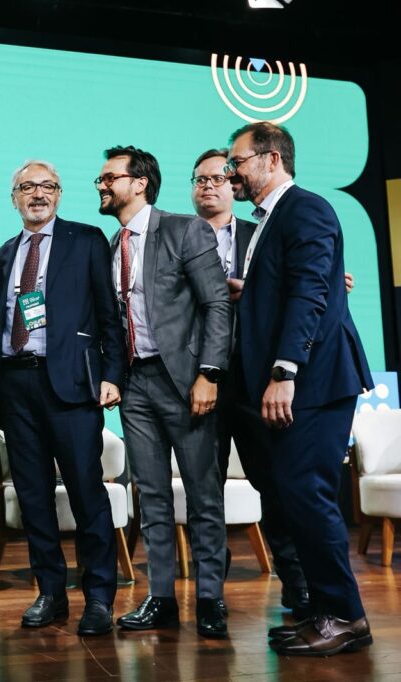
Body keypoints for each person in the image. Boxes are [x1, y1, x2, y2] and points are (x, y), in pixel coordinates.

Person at [226, 122, 373, 656]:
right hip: (303, 381)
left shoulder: (305, 209)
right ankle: (322, 612)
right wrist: (250, 292)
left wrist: (284, 372)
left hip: (314, 381)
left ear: (271, 159)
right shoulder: (271, 218)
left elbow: (311, 292)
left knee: (308, 495)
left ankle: (346, 618)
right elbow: (289, 286)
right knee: (295, 496)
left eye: (237, 161)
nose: (231, 172)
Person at [98, 146, 232, 638]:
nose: (102, 185)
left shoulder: (184, 230)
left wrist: (209, 373)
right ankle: (161, 597)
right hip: (136, 384)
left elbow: (216, 304)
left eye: (110, 177)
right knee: (150, 495)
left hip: (186, 380)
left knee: (202, 494)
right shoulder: (112, 245)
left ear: (139, 183)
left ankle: (210, 598)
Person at [0, 160, 125, 635]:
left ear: (60, 194)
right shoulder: (4, 253)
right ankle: (50, 593)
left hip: (72, 386)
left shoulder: (85, 240)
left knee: (87, 494)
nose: (38, 194)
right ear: (14, 197)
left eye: (47, 186)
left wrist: (113, 375)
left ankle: (99, 597)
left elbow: (110, 315)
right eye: (27, 187)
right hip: (16, 386)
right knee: (33, 497)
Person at [189, 148, 310, 617]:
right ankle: (209, 593)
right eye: (200, 179)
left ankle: (297, 585)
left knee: (274, 482)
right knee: (204, 489)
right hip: (200, 380)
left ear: (233, 184)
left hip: (256, 377)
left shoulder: (261, 232)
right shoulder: (176, 237)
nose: (209, 185)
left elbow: (300, 283)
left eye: (219, 177)